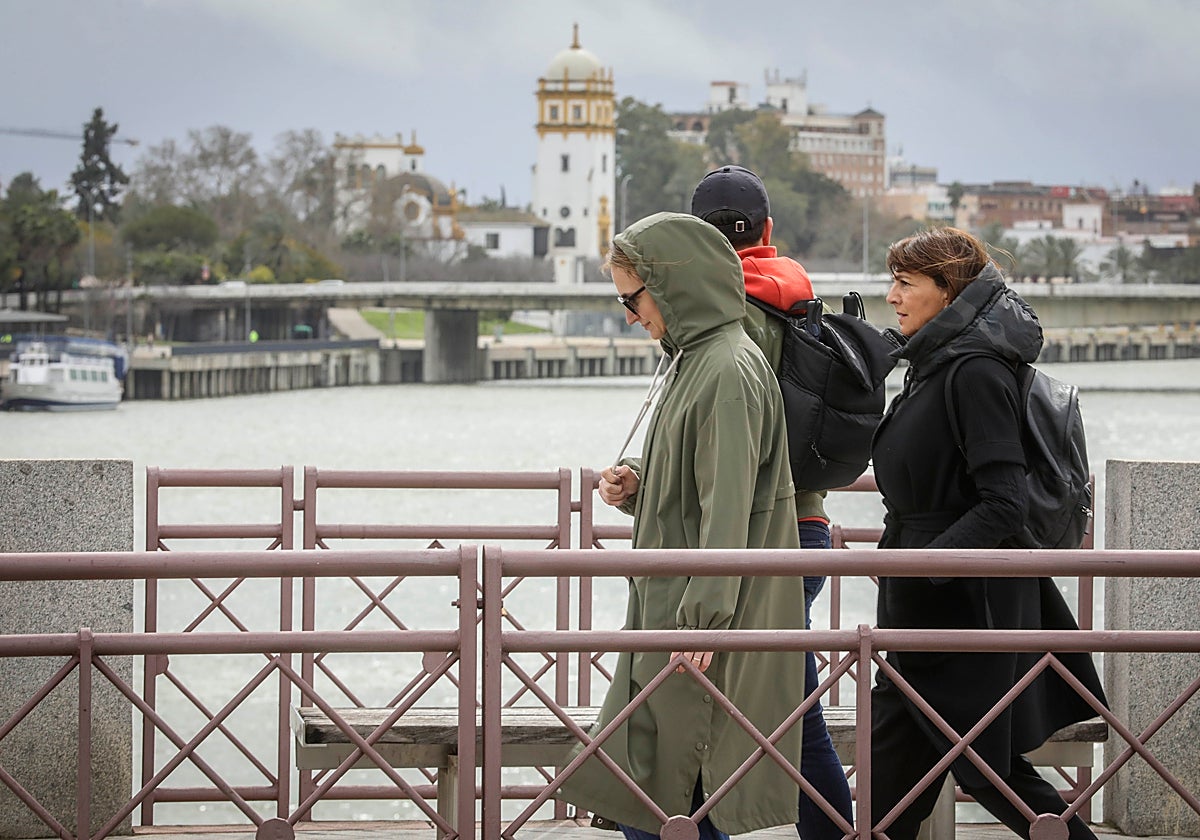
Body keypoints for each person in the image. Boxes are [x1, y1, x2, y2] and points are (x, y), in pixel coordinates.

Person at [557, 211, 808, 839]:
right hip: (677, 606)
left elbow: (728, 505)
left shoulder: (721, 369)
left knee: (671, 786)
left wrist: (704, 620)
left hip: (694, 619)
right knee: (664, 782)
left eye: (631, 299)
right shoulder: (698, 359)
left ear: (670, 286)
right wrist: (639, 479)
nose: (628, 315)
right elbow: (701, 474)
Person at [869, 227, 1107, 840]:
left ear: (948, 292)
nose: (891, 296)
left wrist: (921, 564)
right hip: (924, 605)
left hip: (963, 610)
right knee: (896, 778)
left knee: (982, 769)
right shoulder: (932, 365)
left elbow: (1004, 501)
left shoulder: (974, 372)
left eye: (904, 282)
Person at [691, 164, 855, 840]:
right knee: (790, 704)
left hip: (757, 536)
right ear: (769, 230)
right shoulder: (794, 300)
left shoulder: (724, 315)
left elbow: (728, 448)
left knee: (706, 702)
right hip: (808, 525)